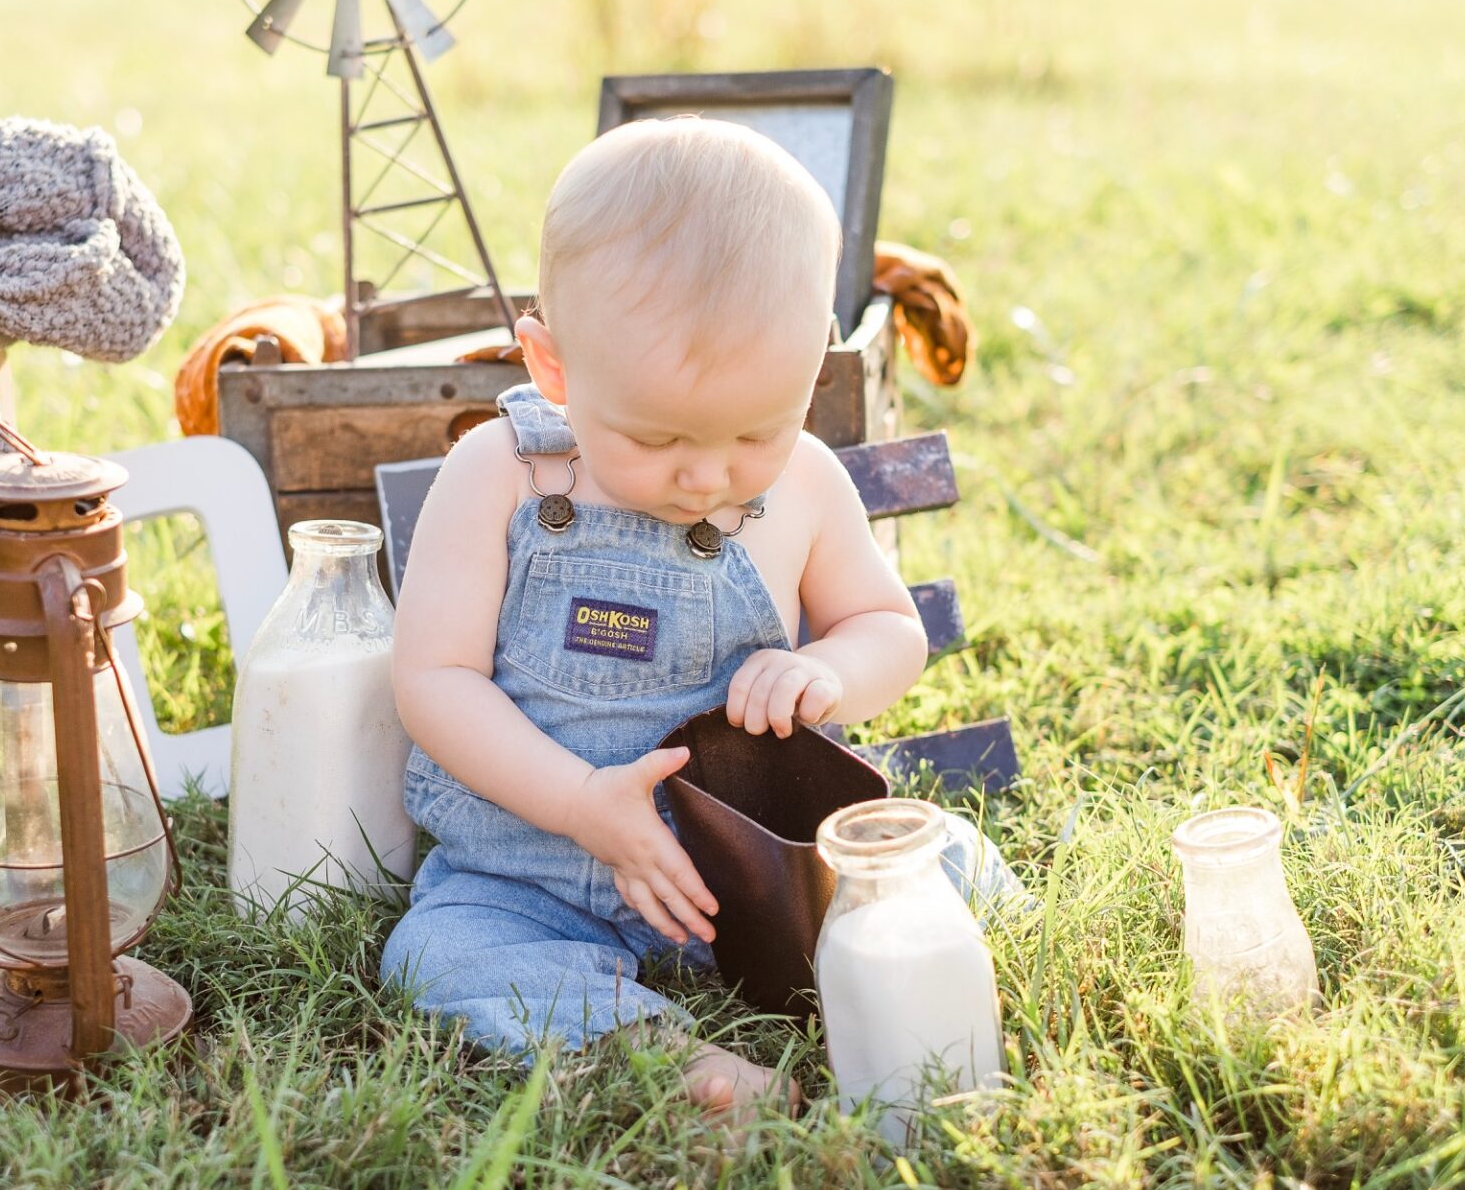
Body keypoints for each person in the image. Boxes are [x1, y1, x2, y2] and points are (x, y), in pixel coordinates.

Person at [384, 117, 1023, 1121]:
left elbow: (884, 626)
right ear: (552, 369)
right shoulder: (502, 475)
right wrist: (577, 799)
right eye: (654, 436)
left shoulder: (803, 485)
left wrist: (830, 673)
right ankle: (661, 1056)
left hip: (761, 875)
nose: (706, 474)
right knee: (439, 952)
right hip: (535, 880)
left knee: (936, 855)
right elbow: (433, 681)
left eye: (755, 431)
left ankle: (925, 967)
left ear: (809, 370)